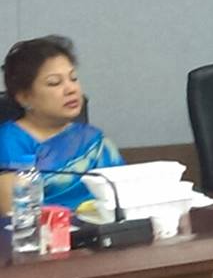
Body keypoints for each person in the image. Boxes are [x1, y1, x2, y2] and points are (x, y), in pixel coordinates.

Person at [0, 36, 124, 212]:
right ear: (24, 97)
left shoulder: (94, 140)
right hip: (45, 228)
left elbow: (125, 196)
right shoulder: (10, 141)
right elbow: (13, 213)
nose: (71, 89)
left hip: (105, 226)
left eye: (73, 78)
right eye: (54, 83)